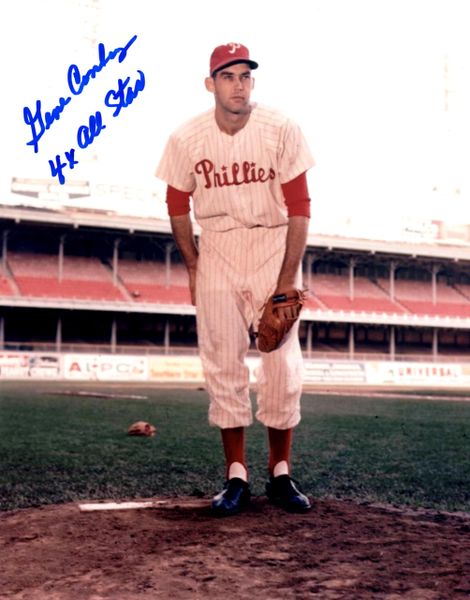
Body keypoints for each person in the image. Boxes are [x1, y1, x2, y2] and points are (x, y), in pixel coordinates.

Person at [155, 42, 315, 516]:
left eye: (245, 75)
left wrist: (287, 278)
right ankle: (236, 476)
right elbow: (177, 206)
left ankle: (281, 472)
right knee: (222, 361)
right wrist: (193, 264)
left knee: (282, 365)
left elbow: (301, 208)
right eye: (228, 76)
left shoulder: (280, 129)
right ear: (211, 84)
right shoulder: (187, 137)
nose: (239, 84)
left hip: (273, 244)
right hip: (219, 246)